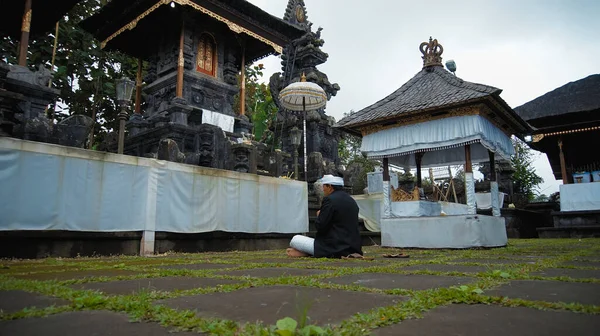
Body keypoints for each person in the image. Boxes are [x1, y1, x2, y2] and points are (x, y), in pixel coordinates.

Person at [286, 174, 363, 258]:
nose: (323, 189)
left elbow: (321, 226)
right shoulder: (351, 200)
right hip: (353, 247)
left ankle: (314, 253)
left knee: (295, 239)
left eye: (324, 186)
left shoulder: (330, 200)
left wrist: (319, 215)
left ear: (330, 187)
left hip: (334, 247)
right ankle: (310, 253)